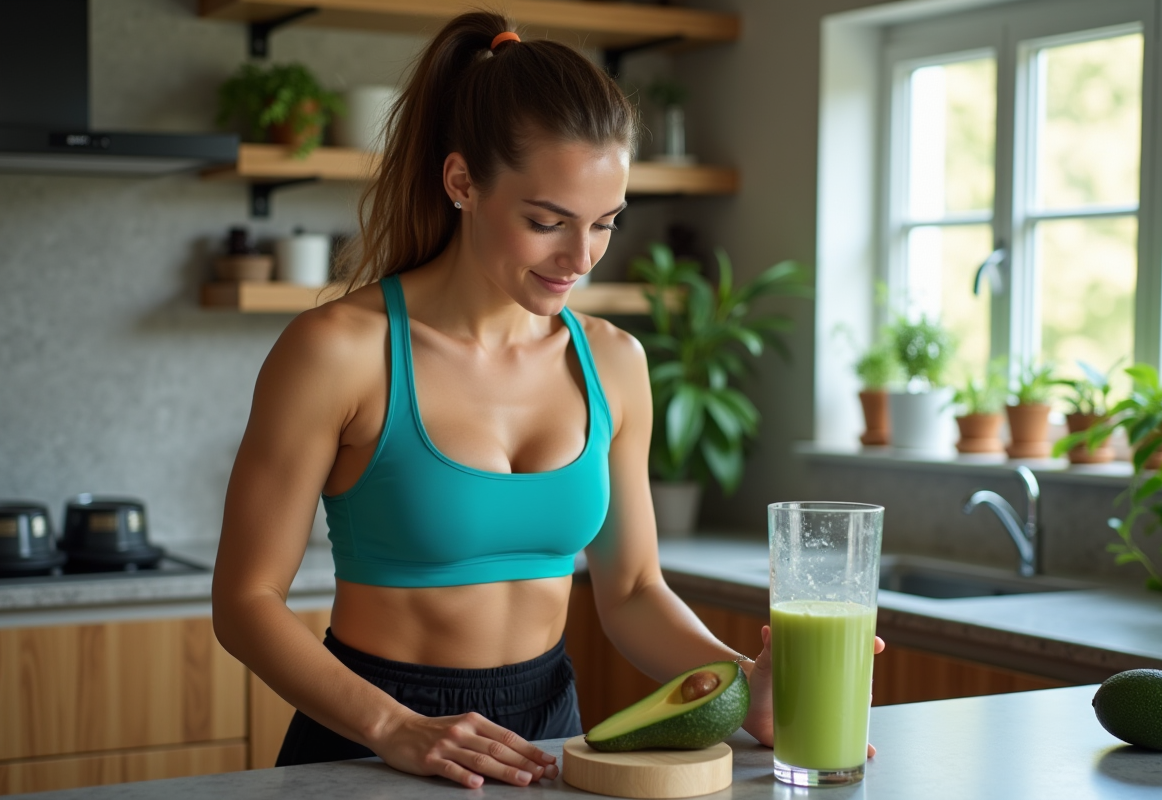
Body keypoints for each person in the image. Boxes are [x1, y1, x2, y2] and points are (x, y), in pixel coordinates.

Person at [212, 10, 882, 789]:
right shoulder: (339, 350)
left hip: (548, 738)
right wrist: (393, 727)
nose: (580, 257)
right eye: (546, 222)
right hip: (370, 739)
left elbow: (633, 592)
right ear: (462, 182)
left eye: (605, 224)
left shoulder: (614, 363)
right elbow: (246, 601)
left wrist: (745, 682)